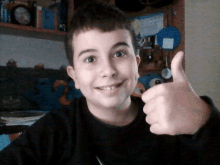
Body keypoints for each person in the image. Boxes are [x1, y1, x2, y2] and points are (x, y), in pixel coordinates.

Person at [1, 2, 220, 165]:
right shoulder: (54, 131)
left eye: (119, 53)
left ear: (136, 64)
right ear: (74, 76)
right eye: (90, 58)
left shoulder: (173, 122)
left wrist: (205, 121)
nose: (108, 70)